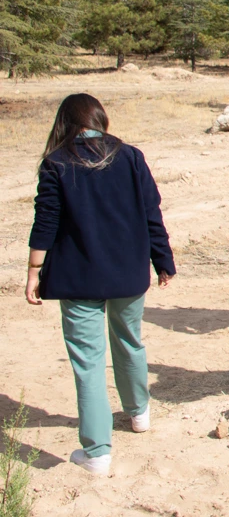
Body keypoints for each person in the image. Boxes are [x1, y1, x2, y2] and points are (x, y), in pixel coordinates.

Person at [26, 94, 177, 476]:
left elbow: (46, 222)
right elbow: (151, 213)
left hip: (77, 278)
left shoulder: (56, 162)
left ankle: (96, 453)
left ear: (65, 123)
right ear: (99, 118)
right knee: (130, 341)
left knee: (88, 362)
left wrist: (33, 272)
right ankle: (139, 413)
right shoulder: (130, 157)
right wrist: (163, 259)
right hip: (128, 273)